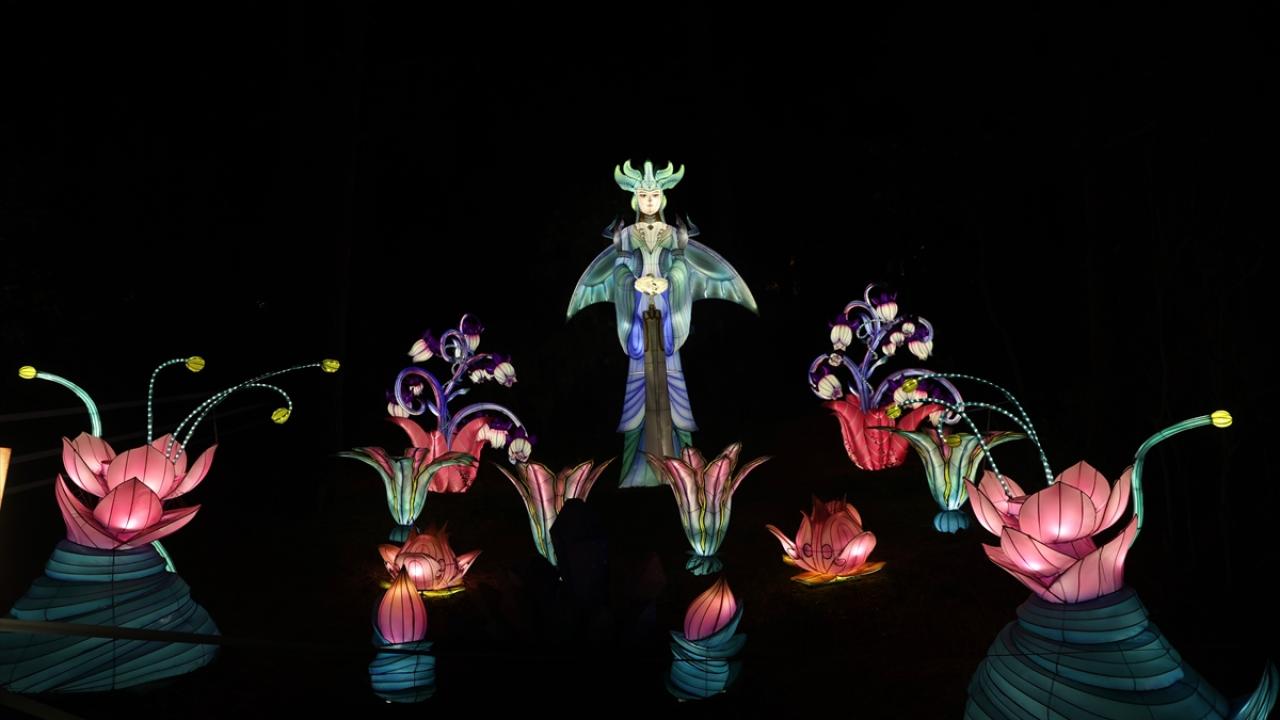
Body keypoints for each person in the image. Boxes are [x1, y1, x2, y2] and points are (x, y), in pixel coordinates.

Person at [568, 160, 757, 487]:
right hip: (639, 313)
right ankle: (637, 471)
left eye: (654, 195)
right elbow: (619, 270)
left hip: (668, 313)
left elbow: (682, 266)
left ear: (662, 198)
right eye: (644, 195)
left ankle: (683, 467)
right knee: (639, 389)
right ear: (635, 199)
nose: (649, 201)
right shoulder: (626, 236)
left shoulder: (673, 234)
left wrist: (671, 281)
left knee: (673, 387)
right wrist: (634, 283)